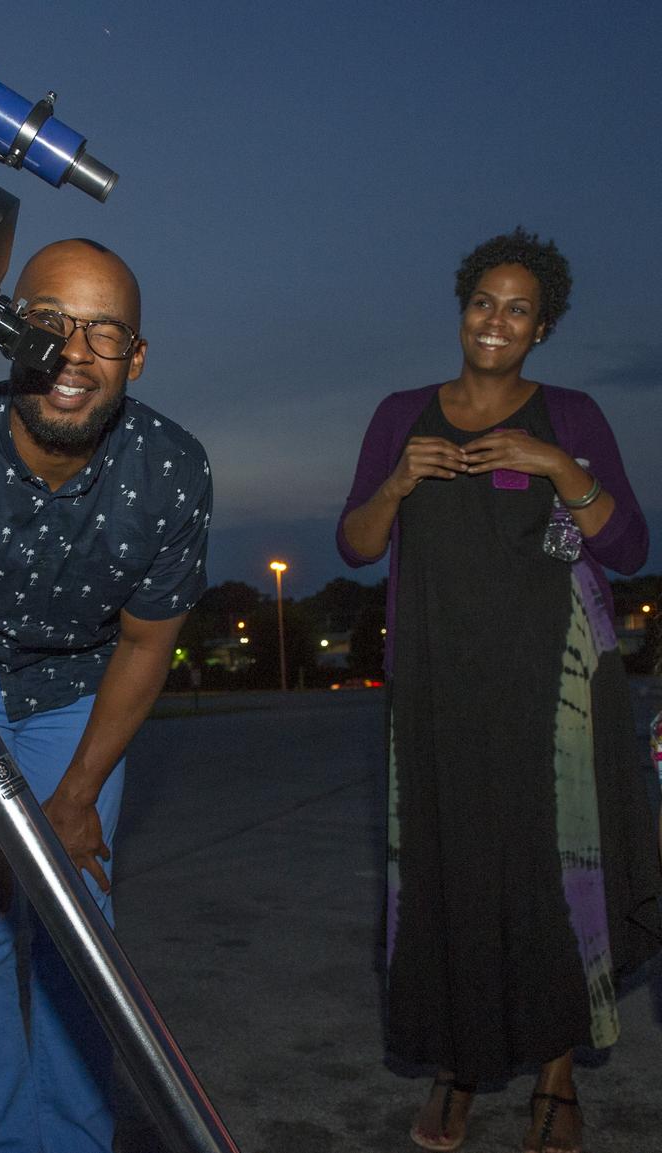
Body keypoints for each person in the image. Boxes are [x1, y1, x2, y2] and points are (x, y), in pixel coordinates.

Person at [336, 228, 661, 1153]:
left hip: (558, 682)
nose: (497, 320)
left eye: (519, 309)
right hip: (439, 681)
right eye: (485, 301)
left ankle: (557, 1076)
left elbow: (627, 547)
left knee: (558, 869)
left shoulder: (573, 413)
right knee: (450, 867)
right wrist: (400, 478)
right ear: (462, 307)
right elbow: (357, 545)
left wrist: (563, 467)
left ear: (542, 328)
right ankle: (457, 1064)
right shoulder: (403, 412)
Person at [0, 238, 212, 1153]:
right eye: (49, 324)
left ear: (136, 358)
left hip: (81, 687)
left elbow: (148, 643)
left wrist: (75, 798)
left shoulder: (173, 470)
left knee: (78, 929)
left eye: (104, 332)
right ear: (4, 332)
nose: (74, 354)